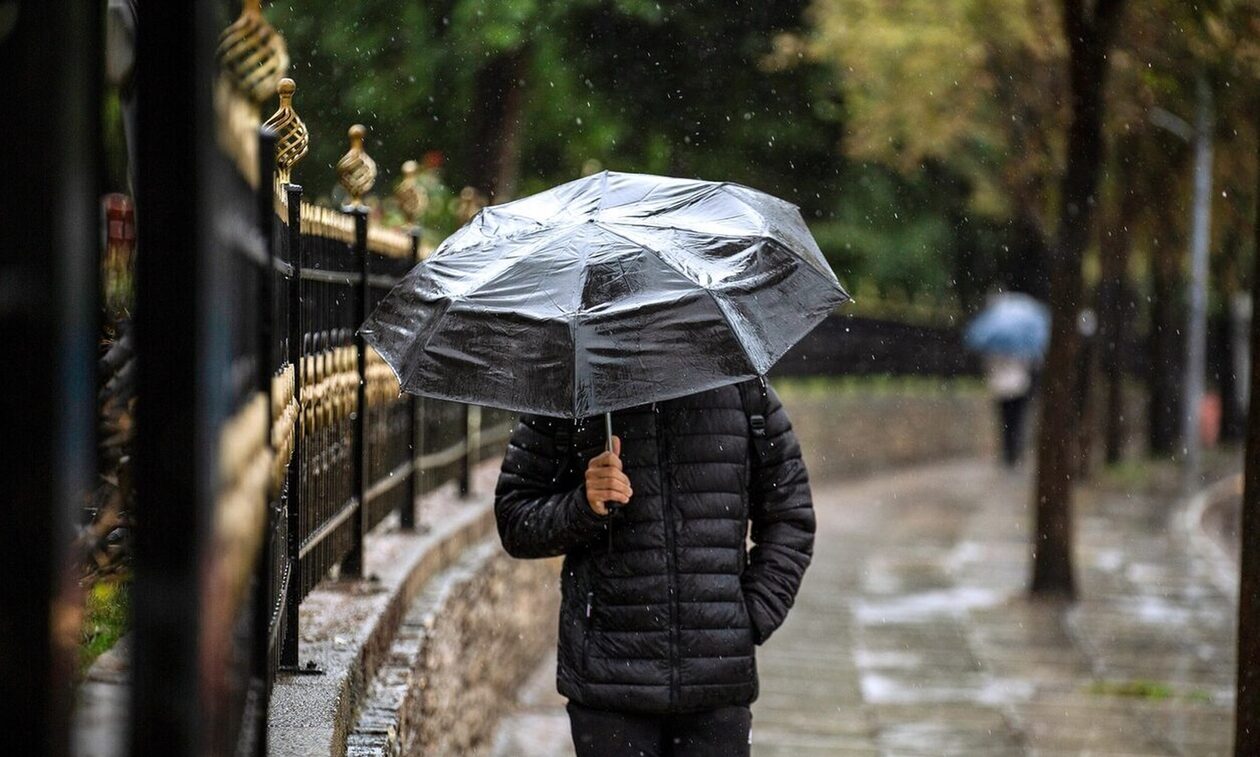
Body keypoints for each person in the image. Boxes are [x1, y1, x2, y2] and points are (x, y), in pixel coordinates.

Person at [494, 378, 815, 757]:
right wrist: (584, 504)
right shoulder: (572, 393)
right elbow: (515, 520)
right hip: (609, 681)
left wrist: (749, 616)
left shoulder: (743, 389)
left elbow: (790, 517)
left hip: (715, 684)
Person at [985, 354, 1035, 466]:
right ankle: (1015, 448)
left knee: (1006, 421)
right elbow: (1028, 365)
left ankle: (1008, 450)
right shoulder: (1021, 349)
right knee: (1017, 420)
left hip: (1002, 389)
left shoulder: (995, 348)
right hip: (1018, 387)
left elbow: (990, 367)